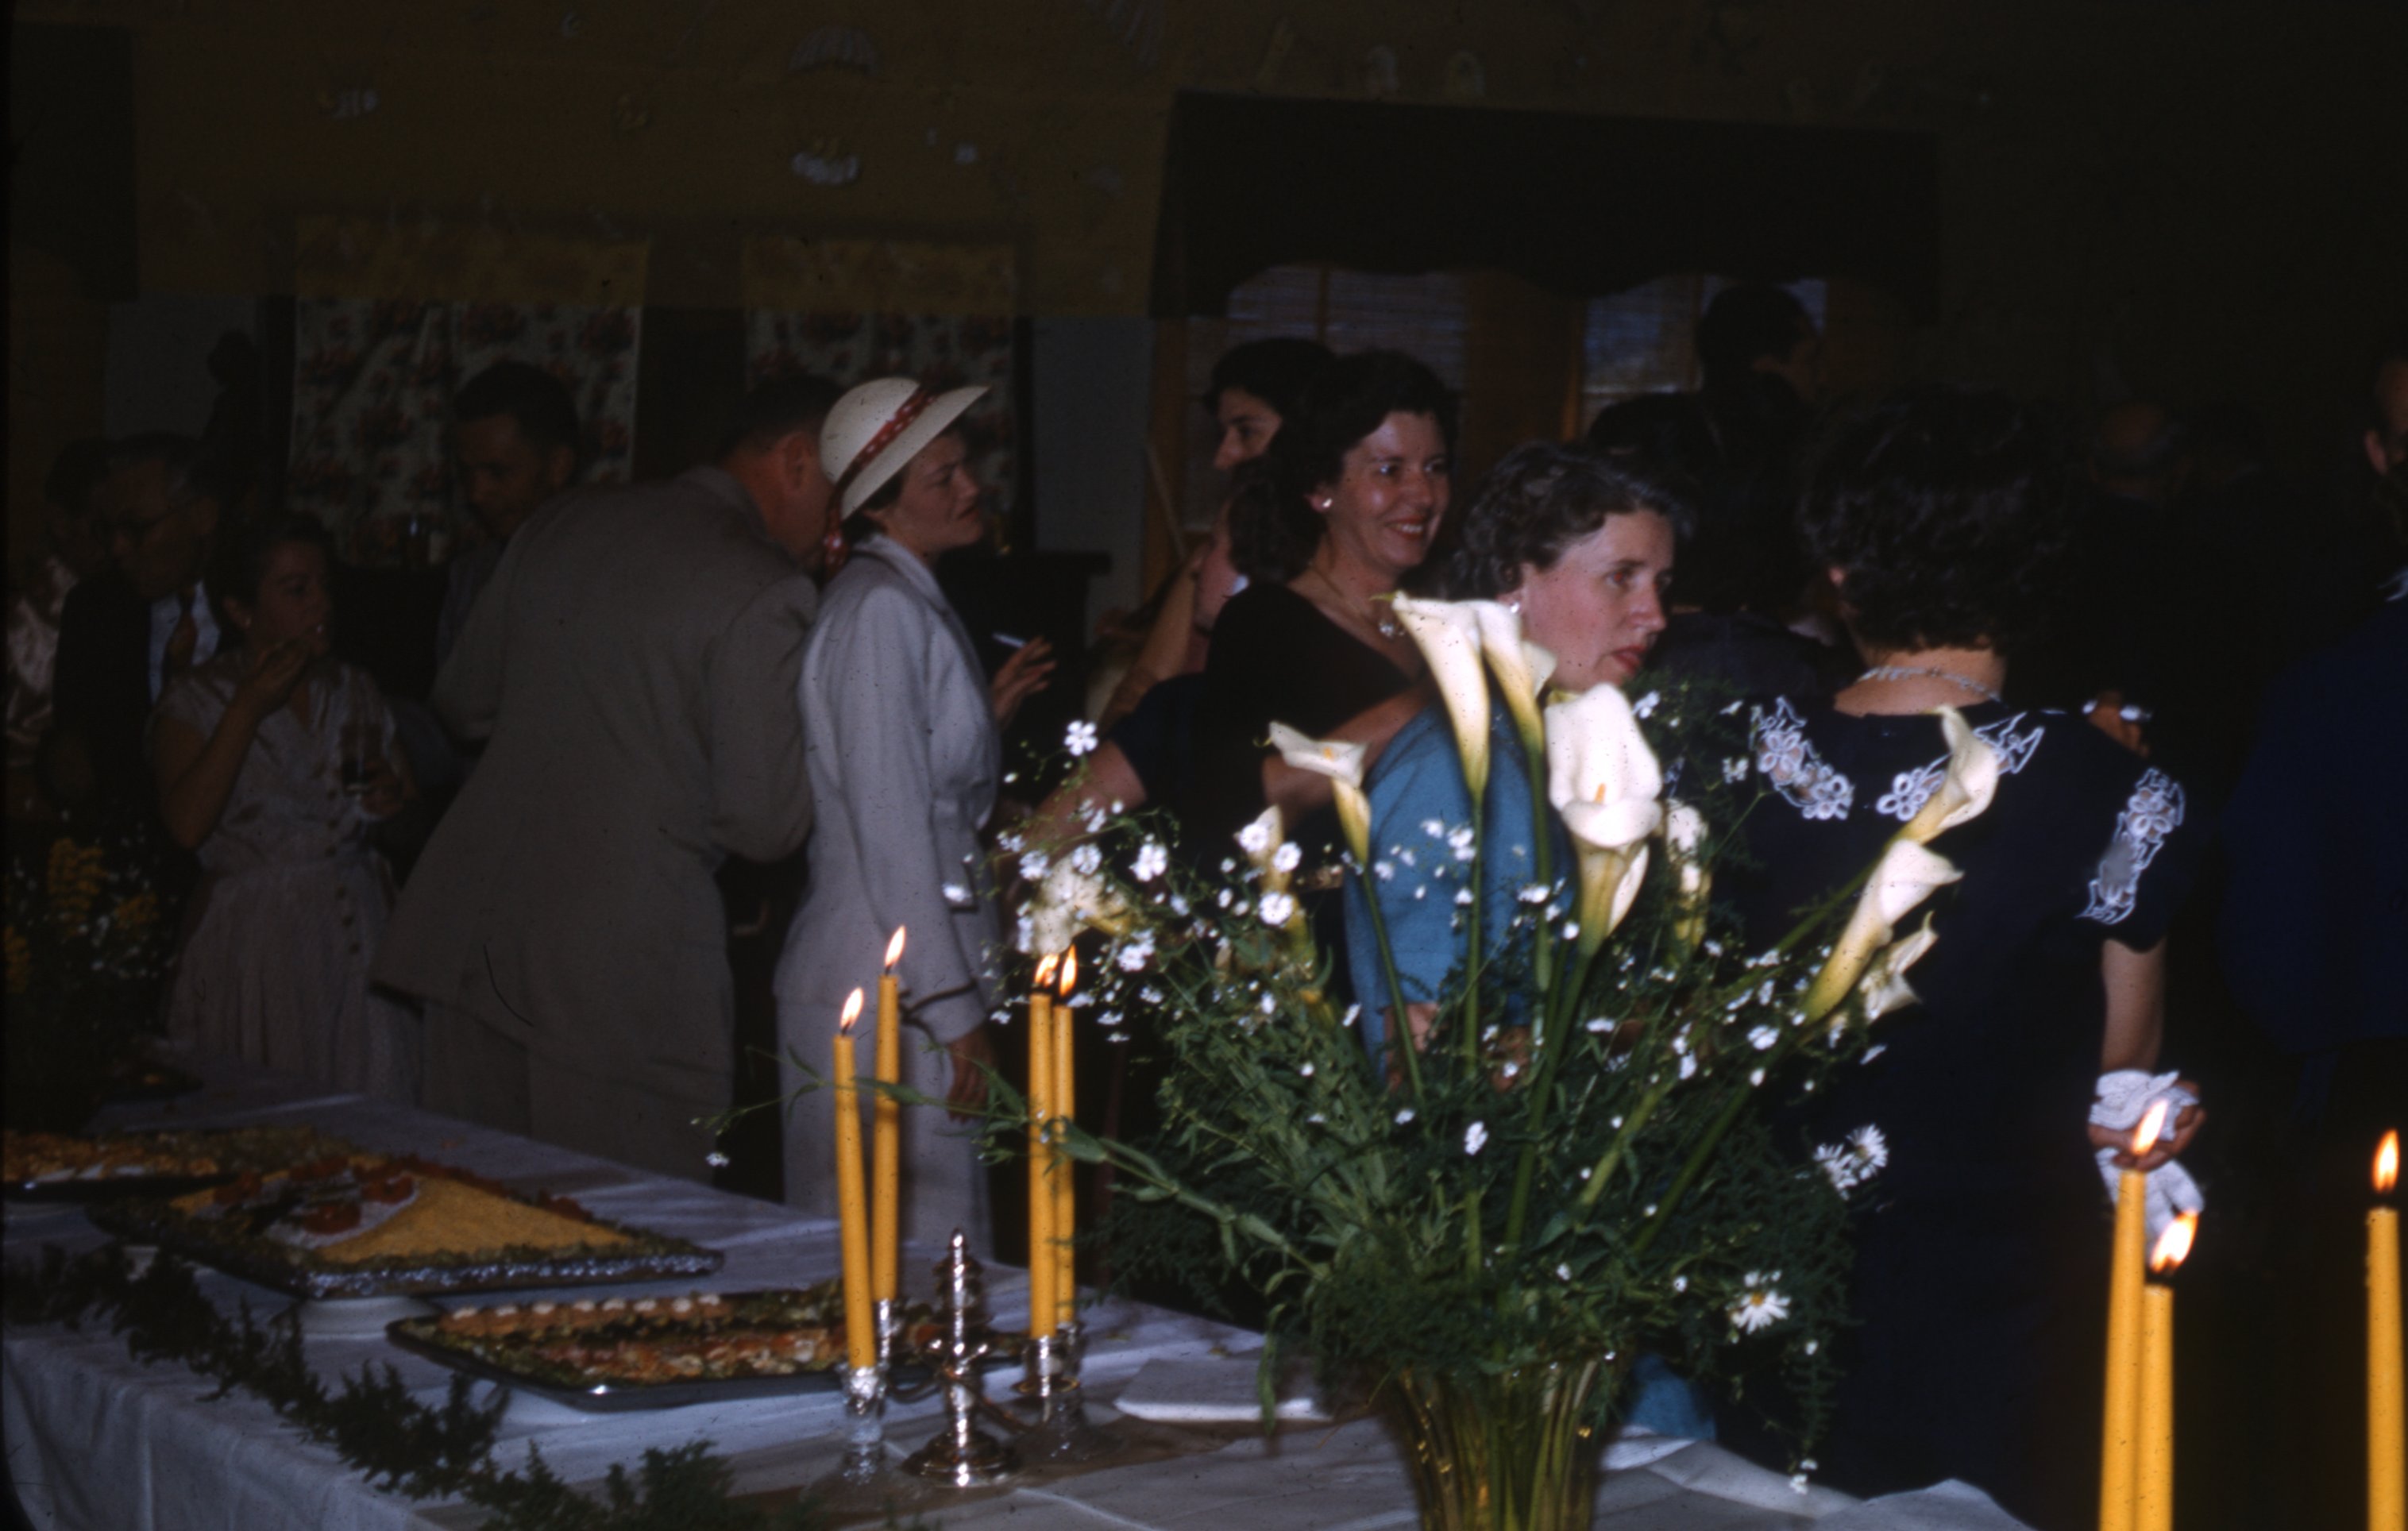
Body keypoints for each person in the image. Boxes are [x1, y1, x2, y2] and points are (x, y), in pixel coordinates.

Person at [1721, 385, 2207, 1524]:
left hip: (1753, 1300)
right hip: (2001, 1324)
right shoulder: (2115, 793)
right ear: (2039, 567)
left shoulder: (1723, 757)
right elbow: (2120, 1081)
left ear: (1838, 570)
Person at [372, 376, 839, 1180]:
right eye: (840, 501)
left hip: (473, 946)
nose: (839, 530)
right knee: (622, 1232)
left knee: (475, 1224)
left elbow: (462, 701)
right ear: (798, 461)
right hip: (621, 979)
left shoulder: (567, 520)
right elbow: (763, 822)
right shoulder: (766, 586)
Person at [1341, 439, 1707, 1437]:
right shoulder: (1447, 773)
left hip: (1575, 1254)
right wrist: (1633, 1045)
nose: (1653, 613)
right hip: (1493, 1264)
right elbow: (1419, 1059)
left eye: (1661, 583)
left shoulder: (1571, 750)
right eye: (1620, 577)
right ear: (1512, 585)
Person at [777, 376, 1056, 1248]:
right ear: (881, 507)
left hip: (899, 975)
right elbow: (892, 827)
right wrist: (951, 1007)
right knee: (896, 1256)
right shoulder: (880, 611)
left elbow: (915, 781)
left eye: (966, 466)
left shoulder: (900, 600)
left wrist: (982, 721)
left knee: (919, 1255)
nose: (971, 487)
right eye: (943, 478)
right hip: (886, 986)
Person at [151, 515, 422, 1097]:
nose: (320, 603)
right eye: (297, 590)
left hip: (358, 930)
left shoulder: (355, 687)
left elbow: (412, 821)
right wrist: (248, 708)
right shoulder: (196, 699)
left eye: (324, 585)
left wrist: (391, 805)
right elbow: (186, 827)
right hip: (260, 945)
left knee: (374, 1108)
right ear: (242, 611)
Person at [1185, 350, 1456, 865]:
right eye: (1389, 470)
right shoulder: (1265, 624)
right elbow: (1241, 808)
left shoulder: (1450, 614)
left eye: (1435, 468)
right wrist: (1432, 699)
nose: (1422, 495)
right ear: (1319, 489)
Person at [45, 435, 231, 815]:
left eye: (136, 528)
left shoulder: (265, 600)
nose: (117, 548)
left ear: (203, 516)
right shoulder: (95, 607)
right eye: (107, 530)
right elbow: (71, 741)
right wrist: (61, 760)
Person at [434, 361, 581, 665]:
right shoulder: (471, 576)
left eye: (498, 472)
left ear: (558, 466)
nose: (476, 493)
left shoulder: (596, 576)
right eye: (467, 473)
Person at [8, 439, 114, 818]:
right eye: (103, 528)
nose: (120, 543)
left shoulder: (125, 596)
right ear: (61, 523)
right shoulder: (28, 614)